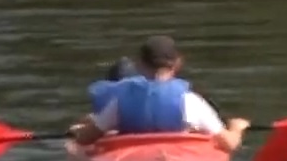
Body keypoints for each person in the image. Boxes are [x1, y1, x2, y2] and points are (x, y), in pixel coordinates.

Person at [69, 36, 249, 153]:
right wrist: (237, 128)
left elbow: (85, 139)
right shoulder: (191, 101)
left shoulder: (121, 100)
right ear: (177, 63)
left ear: (139, 65)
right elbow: (229, 144)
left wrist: (78, 131)